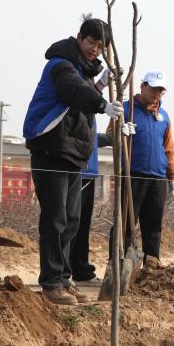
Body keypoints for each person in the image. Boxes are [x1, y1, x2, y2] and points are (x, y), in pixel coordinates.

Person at [23, 18, 123, 305]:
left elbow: (85, 89)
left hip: (73, 154)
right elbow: (74, 91)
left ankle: (64, 279)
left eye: (101, 46)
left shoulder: (83, 70)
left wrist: (101, 84)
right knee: (55, 220)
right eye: (92, 42)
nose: (95, 50)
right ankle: (51, 282)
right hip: (51, 149)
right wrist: (103, 105)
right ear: (79, 38)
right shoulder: (61, 65)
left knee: (71, 220)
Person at [108, 69, 174, 262]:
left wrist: (172, 175)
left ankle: (152, 265)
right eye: (154, 88)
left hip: (158, 178)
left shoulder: (163, 116)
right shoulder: (125, 110)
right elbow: (110, 137)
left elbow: (168, 148)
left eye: (161, 90)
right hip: (132, 175)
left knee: (153, 226)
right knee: (124, 224)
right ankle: (118, 264)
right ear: (142, 86)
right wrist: (120, 132)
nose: (157, 93)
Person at [70, 67, 112, 287]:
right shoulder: (73, 101)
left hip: (90, 170)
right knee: (71, 223)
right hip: (76, 169)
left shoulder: (90, 110)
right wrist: (101, 86)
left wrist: (113, 137)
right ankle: (65, 271)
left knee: (83, 224)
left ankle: (81, 270)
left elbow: (92, 135)